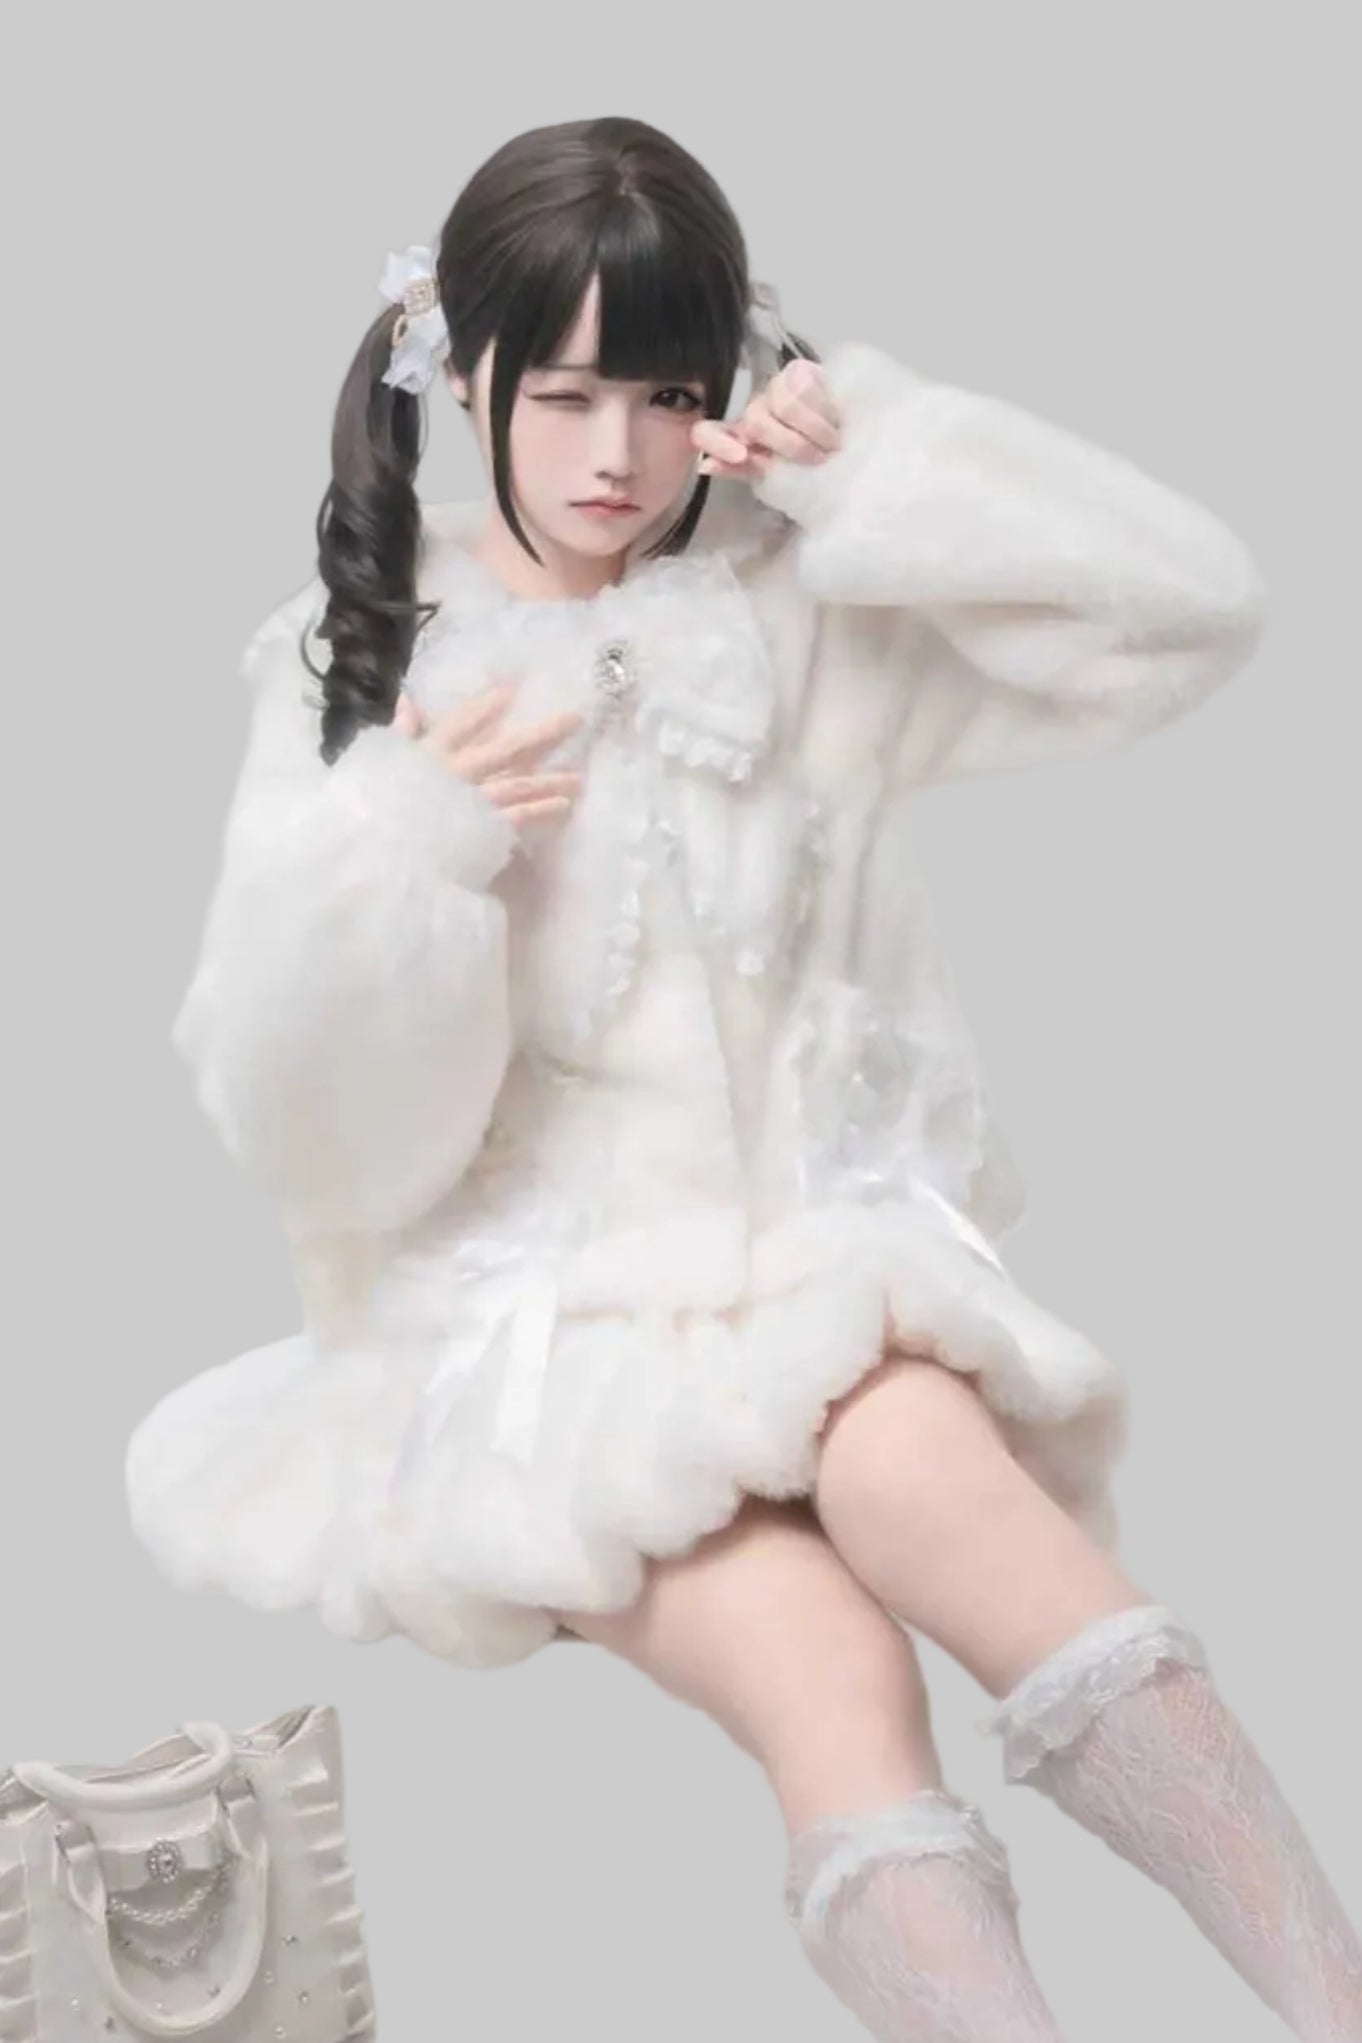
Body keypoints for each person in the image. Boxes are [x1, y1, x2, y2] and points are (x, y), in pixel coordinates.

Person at [125, 115, 1361, 2038]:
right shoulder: (359, 668)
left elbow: (1188, 609)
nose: (614, 458)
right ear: (463, 376)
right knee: (830, 1679)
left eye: (664, 395)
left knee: (923, 1466)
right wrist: (407, 854)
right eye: (562, 397)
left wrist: (878, 461)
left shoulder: (798, 608)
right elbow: (319, 1148)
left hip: (809, 1272)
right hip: (527, 1338)